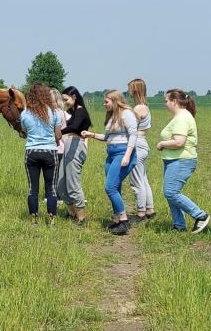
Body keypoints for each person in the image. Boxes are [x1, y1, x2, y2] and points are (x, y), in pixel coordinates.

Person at [82, 90, 138, 235]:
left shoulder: (127, 114)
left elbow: (133, 135)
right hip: (111, 153)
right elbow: (108, 137)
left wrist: (127, 155)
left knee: (110, 187)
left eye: (106, 101)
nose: (104, 104)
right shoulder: (112, 115)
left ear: (115, 101)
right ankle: (117, 220)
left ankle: (124, 221)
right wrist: (92, 135)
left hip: (123, 153)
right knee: (115, 187)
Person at [156, 89, 210, 234]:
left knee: (171, 192)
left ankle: (200, 216)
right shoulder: (181, 116)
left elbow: (179, 142)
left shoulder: (181, 118)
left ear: (174, 102)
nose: (165, 104)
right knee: (171, 193)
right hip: (174, 160)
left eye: (166, 101)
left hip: (181, 160)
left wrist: (162, 144)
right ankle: (179, 225)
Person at [20, 83, 63, 225]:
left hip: (31, 152)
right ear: (45, 95)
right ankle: (51, 221)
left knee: (33, 188)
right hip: (50, 152)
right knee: (51, 188)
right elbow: (58, 136)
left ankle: (34, 220)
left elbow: (24, 133)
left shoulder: (25, 113)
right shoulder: (55, 112)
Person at [57, 85, 91, 225]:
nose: (65, 102)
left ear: (74, 97)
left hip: (76, 146)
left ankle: (81, 218)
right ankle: (72, 214)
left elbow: (75, 127)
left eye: (66, 99)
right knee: (61, 184)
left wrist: (60, 132)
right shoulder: (73, 111)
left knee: (73, 183)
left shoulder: (81, 111)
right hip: (68, 146)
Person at [127, 78, 156, 222]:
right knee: (143, 179)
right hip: (143, 143)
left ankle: (140, 213)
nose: (128, 91)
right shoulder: (145, 106)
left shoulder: (138, 108)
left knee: (136, 181)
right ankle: (150, 209)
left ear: (135, 90)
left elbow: (130, 125)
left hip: (137, 144)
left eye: (130, 88)